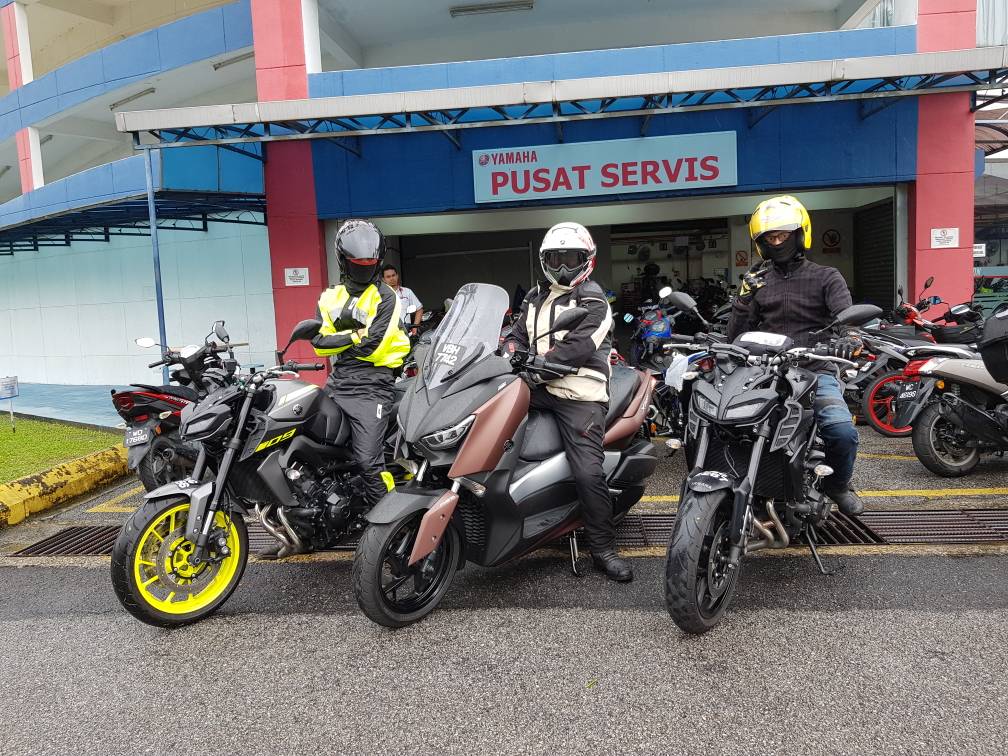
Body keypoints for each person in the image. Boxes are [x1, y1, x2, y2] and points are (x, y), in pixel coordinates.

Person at [506, 222, 632, 582]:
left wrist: (535, 370)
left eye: (571, 259)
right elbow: (516, 335)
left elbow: (576, 349)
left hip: (579, 394)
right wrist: (509, 351)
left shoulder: (593, 299)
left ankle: (603, 548)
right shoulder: (534, 296)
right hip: (535, 384)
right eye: (555, 259)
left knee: (587, 471)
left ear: (587, 260)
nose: (562, 267)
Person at [727, 195, 863, 515]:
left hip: (815, 371)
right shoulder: (757, 282)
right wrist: (743, 298)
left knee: (841, 431)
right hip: (767, 372)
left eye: (783, 235)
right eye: (769, 238)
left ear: (800, 234)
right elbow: (734, 336)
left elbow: (848, 320)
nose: (777, 243)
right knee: (733, 425)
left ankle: (838, 485)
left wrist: (850, 338)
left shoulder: (826, 277)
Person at [312, 220, 411, 511]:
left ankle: (390, 521)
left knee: (368, 460)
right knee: (319, 453)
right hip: (338, 381)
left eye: (370, 263)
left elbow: (372, 346)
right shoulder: (330, 296)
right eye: (358, 263)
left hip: (373, 385)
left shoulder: (386, 296)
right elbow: (318, 342)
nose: (365, 267)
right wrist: (356, 335)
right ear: (344, 260)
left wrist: (340, 339)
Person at [381, 264, 423, 336]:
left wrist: (415, 327)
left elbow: (419, 309)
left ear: (397, 276)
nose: (392, 278)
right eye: (388, 277)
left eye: (393, 275)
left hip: (405, 333)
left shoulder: (407, 292)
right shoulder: (380, 295)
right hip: (387, 335)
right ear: (383, 279)